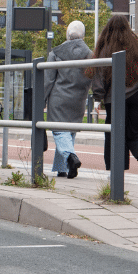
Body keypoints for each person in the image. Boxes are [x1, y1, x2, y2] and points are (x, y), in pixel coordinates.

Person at [86, 16, 138, 181]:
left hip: (115, 99)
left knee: (114, 134)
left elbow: (99, 78)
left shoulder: (105, 50)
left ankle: (116, 174)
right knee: (137, 131)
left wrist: (97, 99)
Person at [44, 21, 93, 179]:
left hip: (58, 98)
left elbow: (48, 80)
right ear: (83, 35)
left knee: (59, 131)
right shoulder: (90, 55)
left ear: (67, 34)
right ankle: (62, 168)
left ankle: (70, 157)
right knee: (69, 132)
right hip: (78, 99)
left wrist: (41, 100)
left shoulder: (56, 53)